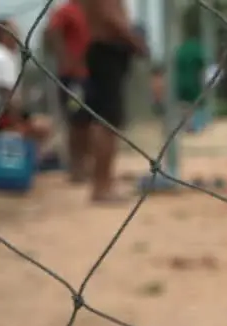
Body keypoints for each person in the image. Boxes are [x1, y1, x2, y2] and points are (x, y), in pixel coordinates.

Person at [81, 0, 147, 204]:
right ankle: (102, 187)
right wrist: (135, 41)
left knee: (106, 121)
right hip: (108, 50)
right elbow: (110, 17)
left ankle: (104, 183)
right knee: (107, 123)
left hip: (107, 49)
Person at [0, 19, 53, 143]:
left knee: (37, 123)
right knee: (42, 127)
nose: (18, 36)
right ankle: (28, 161)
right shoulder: (0, 56)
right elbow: (9, 98)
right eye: (14, 32)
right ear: (2, 35)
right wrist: (17, 125)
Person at [44, 0, 92, 182]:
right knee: (76, 121)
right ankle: (76, 168)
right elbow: (52, 31)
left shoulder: (87, 10)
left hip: (88, 75)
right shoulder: (67, 10)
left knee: (86, 122)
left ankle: (85, 166)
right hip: (73, 77)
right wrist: (64, 59)